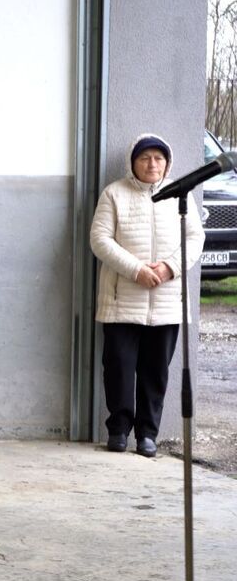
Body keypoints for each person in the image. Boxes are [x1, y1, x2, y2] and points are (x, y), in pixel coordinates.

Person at [90, 133, 203, 457]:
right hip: (121, 300)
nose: (152, 164)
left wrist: (169, 267)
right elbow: (99, 239)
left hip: (166, 302)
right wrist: (135, 269)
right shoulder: (114, 194)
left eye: (158, 158)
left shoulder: (180, 195)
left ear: (167, 163)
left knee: (156, 371)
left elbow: (195, 238)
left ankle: (147, 434)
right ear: (132, 162)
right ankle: (118, 430)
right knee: (119, 367)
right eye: (144, 158)